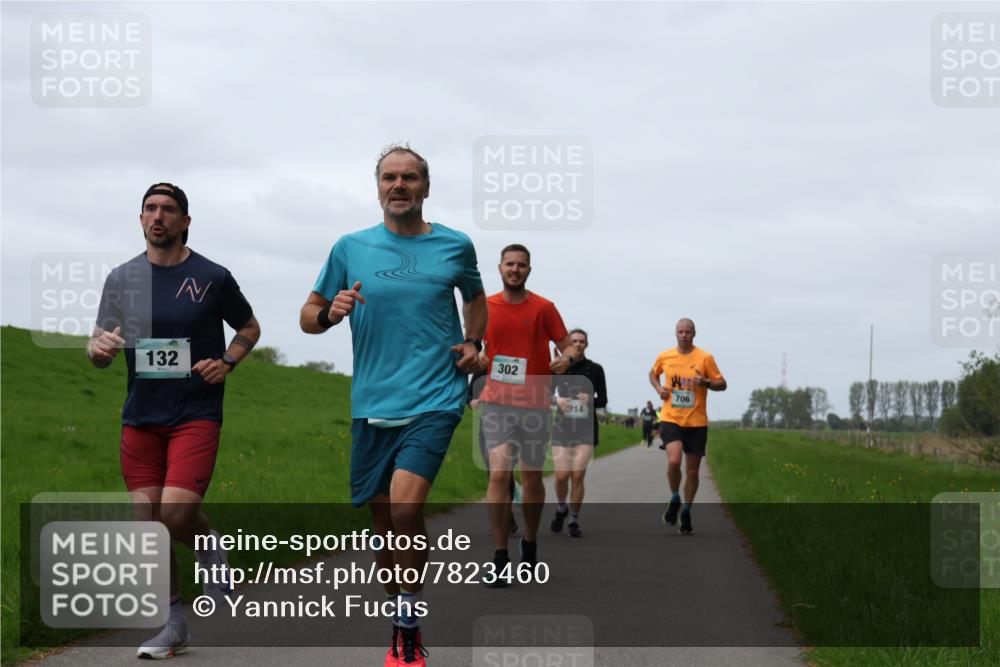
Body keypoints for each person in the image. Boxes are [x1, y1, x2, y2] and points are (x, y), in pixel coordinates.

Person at [299, 145, 486, 667]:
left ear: (426, 187)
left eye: (409, 177)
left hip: (436, 397)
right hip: (372, 404)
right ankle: (402, 605)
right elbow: (307, 316)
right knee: (385, 532)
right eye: (389, 177)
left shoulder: (455, 245)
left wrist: (474, 343)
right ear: (378, 186)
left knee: (406, 509)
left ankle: (407, 627)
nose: (398, 185)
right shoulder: (350, 248)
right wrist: (330, 313)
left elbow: (475, 298)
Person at [88, 183, 261, 659]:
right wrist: (97, 350)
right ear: (140, 219)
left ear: (185, 221)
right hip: (141, 415)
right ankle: (173, 625)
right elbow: (99, 343)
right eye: (150, 209)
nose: (158, 216)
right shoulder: (121, 278)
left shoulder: (212, 276)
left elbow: (249, 327)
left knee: (175, 514)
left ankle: (208, 544)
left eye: (168, 209)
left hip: (195, 413)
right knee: (147, 521)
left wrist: (227, 362)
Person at [477, 244, 575, 585]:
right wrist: (477, 357)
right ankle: (500, 556)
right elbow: (475, 345)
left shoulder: (544, 308)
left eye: (521, 265)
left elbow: (567, 343)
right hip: (497, 403)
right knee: (498, 476)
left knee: (531, 478)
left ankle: (530, 543)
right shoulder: (485, 307)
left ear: (529, 270)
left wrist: (567, 358)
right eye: (509, 264)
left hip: (534, 404)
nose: (515, 270)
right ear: (499, 268)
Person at [648, 318, 726, 535]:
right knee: (674, 461)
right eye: (680, 332)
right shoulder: (665, 356)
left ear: (694, 334)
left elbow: (722, 384)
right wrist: (658, 389)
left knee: (692, 472)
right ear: (676, 333)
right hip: (671, 418)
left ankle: (687, 510)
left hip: (696, 422)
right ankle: (675, 497)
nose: (684, 335)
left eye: (688, 332)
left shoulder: (705, 358)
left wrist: (706, 383)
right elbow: (652, 373)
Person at [549, 329, 606, 538]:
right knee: (561, 476)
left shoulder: (596, 369)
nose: (578, 344)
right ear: (568, 344)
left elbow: (603, 400)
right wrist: (558, 401)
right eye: (574, 341)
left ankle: (573, 519)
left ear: (587, 344)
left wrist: (590, 399)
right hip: (562, 427)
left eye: (582, 341)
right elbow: (545, 393)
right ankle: (561, 507)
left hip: (586, 429)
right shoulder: (559, 367)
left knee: (578, 475)